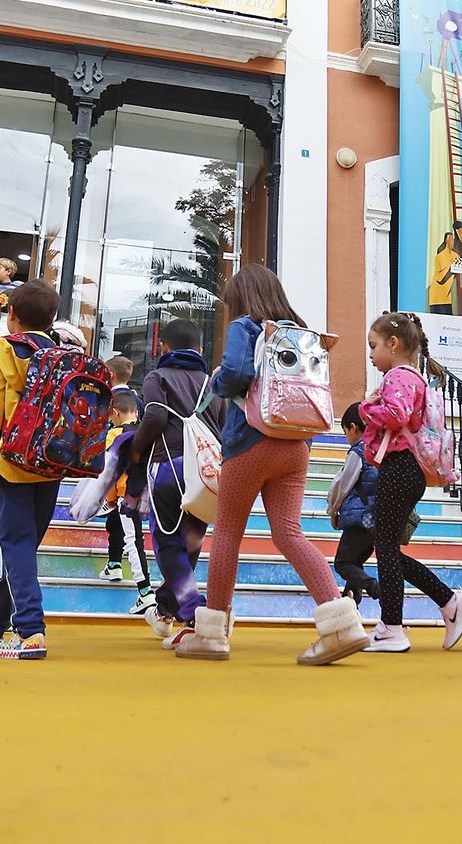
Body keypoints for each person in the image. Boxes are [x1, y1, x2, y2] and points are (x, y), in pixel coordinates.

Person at [175, 264, 369, 666]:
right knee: (289, 534)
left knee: (228, 532)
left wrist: (217, 382)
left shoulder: (247, 327)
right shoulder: (300, 330)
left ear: (242, 298)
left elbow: (236, 374)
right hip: (296, 442)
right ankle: (341, 625)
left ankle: (212, 635)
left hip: (251, 441)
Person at [358, 312, 462, 653]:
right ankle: (448, 602)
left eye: (373, 346)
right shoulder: (415, 378)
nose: (370, 354)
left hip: (400, 468)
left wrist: (366, 408)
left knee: (385, 549)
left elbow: (396, 415)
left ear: (393, 344)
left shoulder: (398, 377)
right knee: (387, 549)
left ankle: (393, 628)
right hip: (407, 470)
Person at [0, 280, 64, 661]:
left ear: (12, 316)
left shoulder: (1, 350)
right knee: (24, 544)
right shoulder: (60, 353)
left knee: (16, 543)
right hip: (53, 461)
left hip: (14, 459)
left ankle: (30, 631)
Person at [129, 317, 227, 648]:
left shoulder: (157, 376)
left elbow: (154, 416)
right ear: (200, 349)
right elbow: (225, 429)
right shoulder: (213, 383)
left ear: (163, 347)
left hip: (168, 466)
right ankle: (165, 608)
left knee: (168, 543)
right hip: (206, 473)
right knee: (190, 544)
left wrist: (136, 447)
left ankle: (194, 613)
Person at [98, 391, 155, 613]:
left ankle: (145, 591)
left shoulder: (114, 434)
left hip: (126, 494)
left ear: (115, 413)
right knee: (139, 539)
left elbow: (110, 472)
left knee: (133, 541)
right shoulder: (148, 431)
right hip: (150, 492)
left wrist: (110, 499)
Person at [327, 403, 380, 604]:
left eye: (345, 432)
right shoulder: (380, 448)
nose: (346, 437)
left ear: (353, 427)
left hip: (360, 518)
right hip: (375, 518)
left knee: (343, 563)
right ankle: (350, 604)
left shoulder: (359, 451)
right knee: (355, 563)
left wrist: (333, 510)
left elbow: (342, 483)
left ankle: (375, 588)